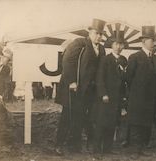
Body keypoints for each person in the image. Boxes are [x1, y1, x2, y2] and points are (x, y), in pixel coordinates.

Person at [55, 19, 106, 154]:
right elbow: (67, 61)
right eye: (96, 33)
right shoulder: (80, 43)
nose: (99, 37)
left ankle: (74, 145)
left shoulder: (101, 49)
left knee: (81, 116)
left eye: (101, 34)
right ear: (90, 32)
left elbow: (100, 71)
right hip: (73, 87)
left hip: (88, 90)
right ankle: (58, 145)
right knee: (68, 116)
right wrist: (72, 81)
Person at [126, 26, 156, 158]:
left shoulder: (154, 58)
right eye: (152, 40)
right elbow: (128, 77)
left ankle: (142, 149)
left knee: (146, 124)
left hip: (150, 99)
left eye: (155, 41)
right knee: (136, 124)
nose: (155, 43)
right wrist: (136, 91)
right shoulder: (135, 57)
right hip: (137, 98)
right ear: (144, 41)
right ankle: (135, 151)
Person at [94, 30, 127, 155]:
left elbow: (124, 80)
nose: (119, 47)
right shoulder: (105, 59)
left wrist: (124, 97)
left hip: (117, 98)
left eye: (121, 44)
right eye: (116, 44)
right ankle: (97, 150)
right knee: (101, 123)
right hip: (106, 97)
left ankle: (108, 149)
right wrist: (103, 94)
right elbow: (100, 78)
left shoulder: (124, 60)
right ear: (112, 45)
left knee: (112, 123)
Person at [0, 41, 12, 122]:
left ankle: (5, 119)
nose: (6, 60)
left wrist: (0, 94)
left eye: (8, 59)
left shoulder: (6, 68)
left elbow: (3, 81)